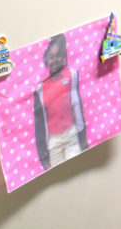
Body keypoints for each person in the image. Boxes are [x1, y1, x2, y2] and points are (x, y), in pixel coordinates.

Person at [33, 33, 89, 170]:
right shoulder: (40, 88)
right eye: (51, 57)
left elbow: (78, 105)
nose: (55, 60)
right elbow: (39, 123)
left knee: (76, 169)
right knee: (58, 173)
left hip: (71, 135)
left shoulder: (72, 75)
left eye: (58, 56)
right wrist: (42, 154)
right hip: (53, 141)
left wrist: (83, 138)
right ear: (46, 59)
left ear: (63, 56)